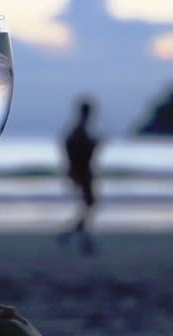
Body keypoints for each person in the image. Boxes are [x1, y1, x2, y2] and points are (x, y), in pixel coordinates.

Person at [58, 98, 101, 255]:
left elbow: (68, 147)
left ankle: (75, 237)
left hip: (82, 172)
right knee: (89, 204)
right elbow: (77, 152)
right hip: (83, 172)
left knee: (88, 205)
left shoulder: (78, 129)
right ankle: (78, 239)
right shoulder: (79, 130)